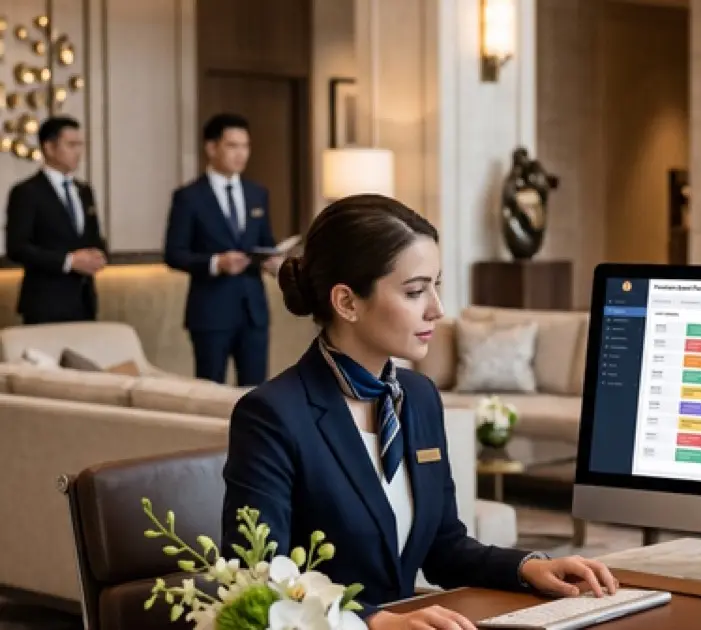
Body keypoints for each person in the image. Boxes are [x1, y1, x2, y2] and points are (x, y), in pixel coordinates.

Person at [222, 194, 618, 629]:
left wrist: (526, 567)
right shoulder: (272, 415)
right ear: (347, 302)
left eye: (437, 285)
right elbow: (257, 581)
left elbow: (444, 547)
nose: (437, 308)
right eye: (415, 291)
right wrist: (373, 622)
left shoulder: (419, 397)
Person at [164, 113, 283, 386]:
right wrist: (216, 263)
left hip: (253, 311)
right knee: (209, 390)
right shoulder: (189, 197)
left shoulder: (257, 193)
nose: (241, 154)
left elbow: (265, 241)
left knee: (256, 393)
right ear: (211, 147)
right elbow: (174, 253)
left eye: (246, 146)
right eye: (232, 145)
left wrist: (273, 261)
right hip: (210, 313)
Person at [4, 117, 108, 324]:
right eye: (71, 145)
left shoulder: (84, 190)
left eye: (80, 145)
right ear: (49, 148)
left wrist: (98, 253)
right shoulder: (27, 192)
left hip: (84, 302)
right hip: (45, 304)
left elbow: (93, 237)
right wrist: (68, 262)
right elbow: (17, 247)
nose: (78, 152)